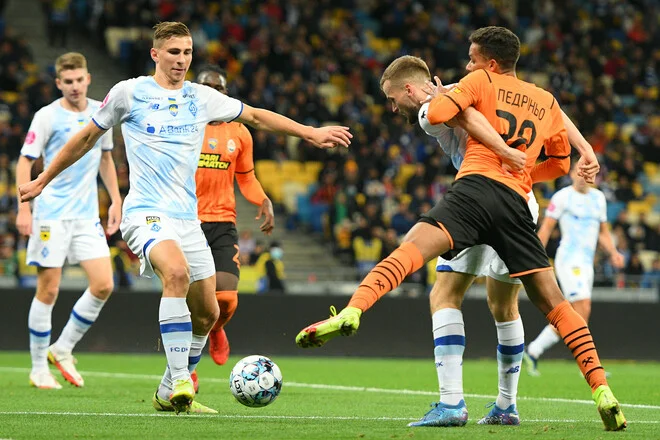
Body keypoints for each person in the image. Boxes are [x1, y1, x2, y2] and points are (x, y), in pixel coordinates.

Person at [295, 26, 625, 432]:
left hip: (473, 195)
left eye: (472, 59)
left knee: (425, 271)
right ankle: (588, 390)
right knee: (533, 306)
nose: (466, 65)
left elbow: (444, 113)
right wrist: (574, 151)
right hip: (520, 202)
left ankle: (362, 317)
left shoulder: (465, 87)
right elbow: (559, 160)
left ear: (489, 63)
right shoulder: (543, 98)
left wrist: (490, 141)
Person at [18, 22, 351, 414]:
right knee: (175, 273)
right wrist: (43, 178)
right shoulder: (129, 92)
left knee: (208, 313)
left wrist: (309, 132)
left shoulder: (201, 97)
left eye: (187, 52)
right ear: (155, 54)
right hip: (145, 213)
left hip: (186, 219)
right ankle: (180, 379)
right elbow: (87, 138)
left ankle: (166, 391)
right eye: (174, 52)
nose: (181, 60)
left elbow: (256, 117)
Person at [15, 52, 121, 389]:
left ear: (88, 79)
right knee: (49, 289)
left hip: (86, 216)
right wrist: (23, 208)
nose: (75, 86)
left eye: (79, 80)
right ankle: (38, 368)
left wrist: (116, 199)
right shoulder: (46, 116)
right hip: (52, 215)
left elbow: (105, 159)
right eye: (68, 81)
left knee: (104, 284)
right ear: (59, 83)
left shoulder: (101, 112)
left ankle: (62, 348)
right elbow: (25, 161)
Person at [191, 65, 274, 391]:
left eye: (219, 88)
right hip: (187, 222)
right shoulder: (185, 126)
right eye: (207, 87)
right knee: (189, 301)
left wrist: (262, 199)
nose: (214, 93)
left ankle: (216, 329)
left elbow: (246, 178)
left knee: (226, 299)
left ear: (226, 94)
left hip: (222, 222)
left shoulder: (239, 132)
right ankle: (186, 369)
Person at [524, 162, 625, 375]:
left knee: (573, 313)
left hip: (586, 263)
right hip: (569, 260)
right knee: (583, 306)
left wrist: (613, 252)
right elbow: (547, 228)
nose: (582, 176)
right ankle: (586, 364)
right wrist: (535, 256)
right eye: (578, 172)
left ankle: (534, 350)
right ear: (571, 174)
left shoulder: (598, 198)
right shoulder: (562, 197)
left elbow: (603, 232)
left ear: (594, 176)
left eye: (587, 173)